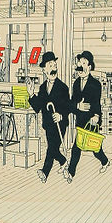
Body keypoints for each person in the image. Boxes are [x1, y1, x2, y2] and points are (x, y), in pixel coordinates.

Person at [64, 50, 109, 179]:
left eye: (84, 63)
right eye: (79, 63)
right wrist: (77, 106)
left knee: (95, 149)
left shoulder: (96, 84)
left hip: (92, 121)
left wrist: (96, 116)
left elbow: (96, 103)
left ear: (89, 67)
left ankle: (105, 161)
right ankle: (71, 172)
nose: (80, 66)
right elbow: (71, 103)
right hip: (80, 120)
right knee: (77, 147)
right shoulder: (76, 83)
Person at [27, 51, 69, 184]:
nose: (54, 68)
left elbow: (68, 106)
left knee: (51, 149)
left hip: (60, 124)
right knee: (53, 149)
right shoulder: (42, 87)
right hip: (48, 125)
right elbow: (38, 107)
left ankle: (45, 172)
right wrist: (31, 94)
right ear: (44, 70)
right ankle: (63, 161)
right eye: (50, 65)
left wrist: (61, 115)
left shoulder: (63, 87)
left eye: (55, 65)